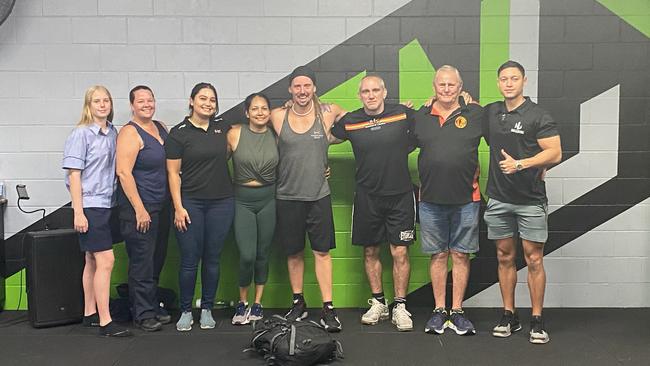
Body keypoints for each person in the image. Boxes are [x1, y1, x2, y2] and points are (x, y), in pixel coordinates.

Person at [484, 60, 562, 344]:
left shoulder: (538, 115)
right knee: (504, 257)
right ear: (498, 82)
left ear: (524, 81)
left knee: (533, 259)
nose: (508, 83)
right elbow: (463, 113)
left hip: (530, 201)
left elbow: (555, 152)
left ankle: (537, 319)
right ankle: (509, 315)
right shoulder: (491, 112)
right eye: (503, 79)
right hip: (499, 199)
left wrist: (522, 164)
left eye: (514, 78)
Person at [330, 75, 416, 331]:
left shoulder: (403, 114)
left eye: (375, 90)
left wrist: (466, 102)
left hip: (400, 195)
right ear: (360, 96)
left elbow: (434, 121)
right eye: (365, 91)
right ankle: (379, 302)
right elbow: (323, 136)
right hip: (367, 197)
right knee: (370, 251)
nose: (371, 95)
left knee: (399, 251)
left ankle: (400, 306)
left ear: (384, 92)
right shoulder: (351, 121)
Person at [269, 66, 346, 332]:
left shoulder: (328, 113)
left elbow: (362, 120)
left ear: (314, 88)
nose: (302, 91)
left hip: (318, 196)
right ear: (290, 89)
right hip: (287, 196)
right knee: (294, 252)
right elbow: (250, 126)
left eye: (307, 86)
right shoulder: (277, 116)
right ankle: (298, 302)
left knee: (322, 252)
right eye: (297, 86)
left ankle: (328, 308)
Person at [412, 65, 486, 336]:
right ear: (434, 87)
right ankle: (438, 310)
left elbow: (504, 137)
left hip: (467, 199)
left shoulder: (475, 114)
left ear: (460, 87)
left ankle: (457, 311)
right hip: (430, 199)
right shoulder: (420, 117)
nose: (446, 89)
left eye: (451, 85)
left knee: (460, 254)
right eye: (441, 85)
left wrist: (539, 164)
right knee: (439, 254)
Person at [62, 85, 131, 337]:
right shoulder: (81, 134)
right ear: (88, 105)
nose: (102, 105)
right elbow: (74, 175)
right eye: (96, 101)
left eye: (106, 101)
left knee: (91, 260)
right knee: (106, 261)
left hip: (109, 203)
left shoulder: (113, 133)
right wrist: (78, 212)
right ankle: (106, 322)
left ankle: (89, 313)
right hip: (90, 205)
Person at [166, 82, 235, 331]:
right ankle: (185, 310)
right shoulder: (178, 133)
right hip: (190, 204)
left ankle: (206, 308)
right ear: (192, 101)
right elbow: (173, 174)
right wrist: (178, 207)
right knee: (189, 260)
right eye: (203, 98)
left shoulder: (222, 128)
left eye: (212, 100)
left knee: (212, 258)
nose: (208, 103)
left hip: (222, 203)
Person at [115, 85, 172, 332]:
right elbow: (123, 173)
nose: (147, 104)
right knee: (142, 262)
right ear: (132, 105)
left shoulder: (160, 127)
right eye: (141, 101)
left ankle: (152, 305)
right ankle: (142, 313)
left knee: (156, 259)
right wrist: (139, 209)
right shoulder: (129, 133)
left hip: (162, 205)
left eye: (150, 99)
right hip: (140, 208)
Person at [227, 93, 279, 325]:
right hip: (242, 200)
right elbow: (214, 163)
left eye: (264, 108)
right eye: (255, 109)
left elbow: (298, 159)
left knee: (262, 254)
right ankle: (242, 303)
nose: (260, 112)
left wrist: (322, 170)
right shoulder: (235, 133)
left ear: (269, 112)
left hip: (268, 198)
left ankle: (258, 304)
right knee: (247, 255)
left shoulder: (276, 136)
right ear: (247, 113)